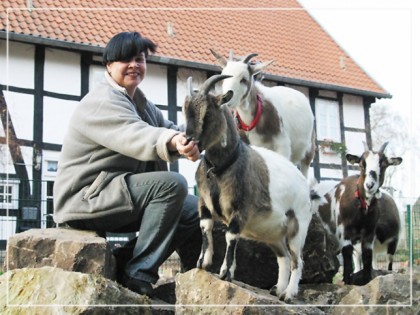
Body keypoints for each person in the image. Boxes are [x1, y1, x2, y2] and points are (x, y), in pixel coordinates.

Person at [53, 31, 202, 297]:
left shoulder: (139, 102)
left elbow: (169, 129)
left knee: (193, 209)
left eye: (140, 59)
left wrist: (209, 131)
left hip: (114, 193)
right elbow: (136, 134)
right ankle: (138, 275)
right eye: (125, 59)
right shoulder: (102, 101)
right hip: (85, 198)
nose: (134, 65)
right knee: (171, 185)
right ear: (109, 65)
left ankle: (123, 262)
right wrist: (173, 141)